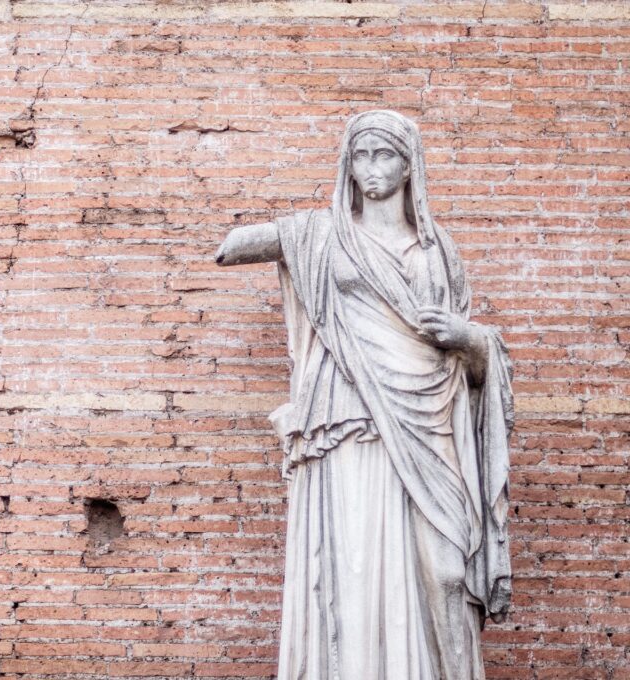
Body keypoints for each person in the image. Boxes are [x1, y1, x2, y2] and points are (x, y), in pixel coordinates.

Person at [215, 110, 514, 680]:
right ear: (347, 166)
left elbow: (478, 369)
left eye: (384, 155)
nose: (370, 168)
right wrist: (286, 234)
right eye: (359, 156)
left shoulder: (437, 251)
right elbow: (230, 249)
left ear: (409, 165)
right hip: (350, 416)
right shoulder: (325, 234)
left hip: (430, 422)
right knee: (351, 564)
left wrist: (470, 337)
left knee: (449, 572)